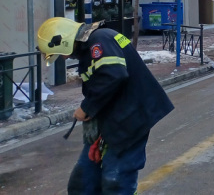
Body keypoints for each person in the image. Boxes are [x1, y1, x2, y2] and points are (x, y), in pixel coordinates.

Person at [36, 17, 174, 194]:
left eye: (60, 53)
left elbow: (114, 75)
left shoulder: (99, 41)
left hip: (130, 121)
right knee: (82, 184)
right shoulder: (95, 44)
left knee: (116, 181)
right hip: (114, 120)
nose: (64, 57)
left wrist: (87, 107)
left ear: (64, 40)